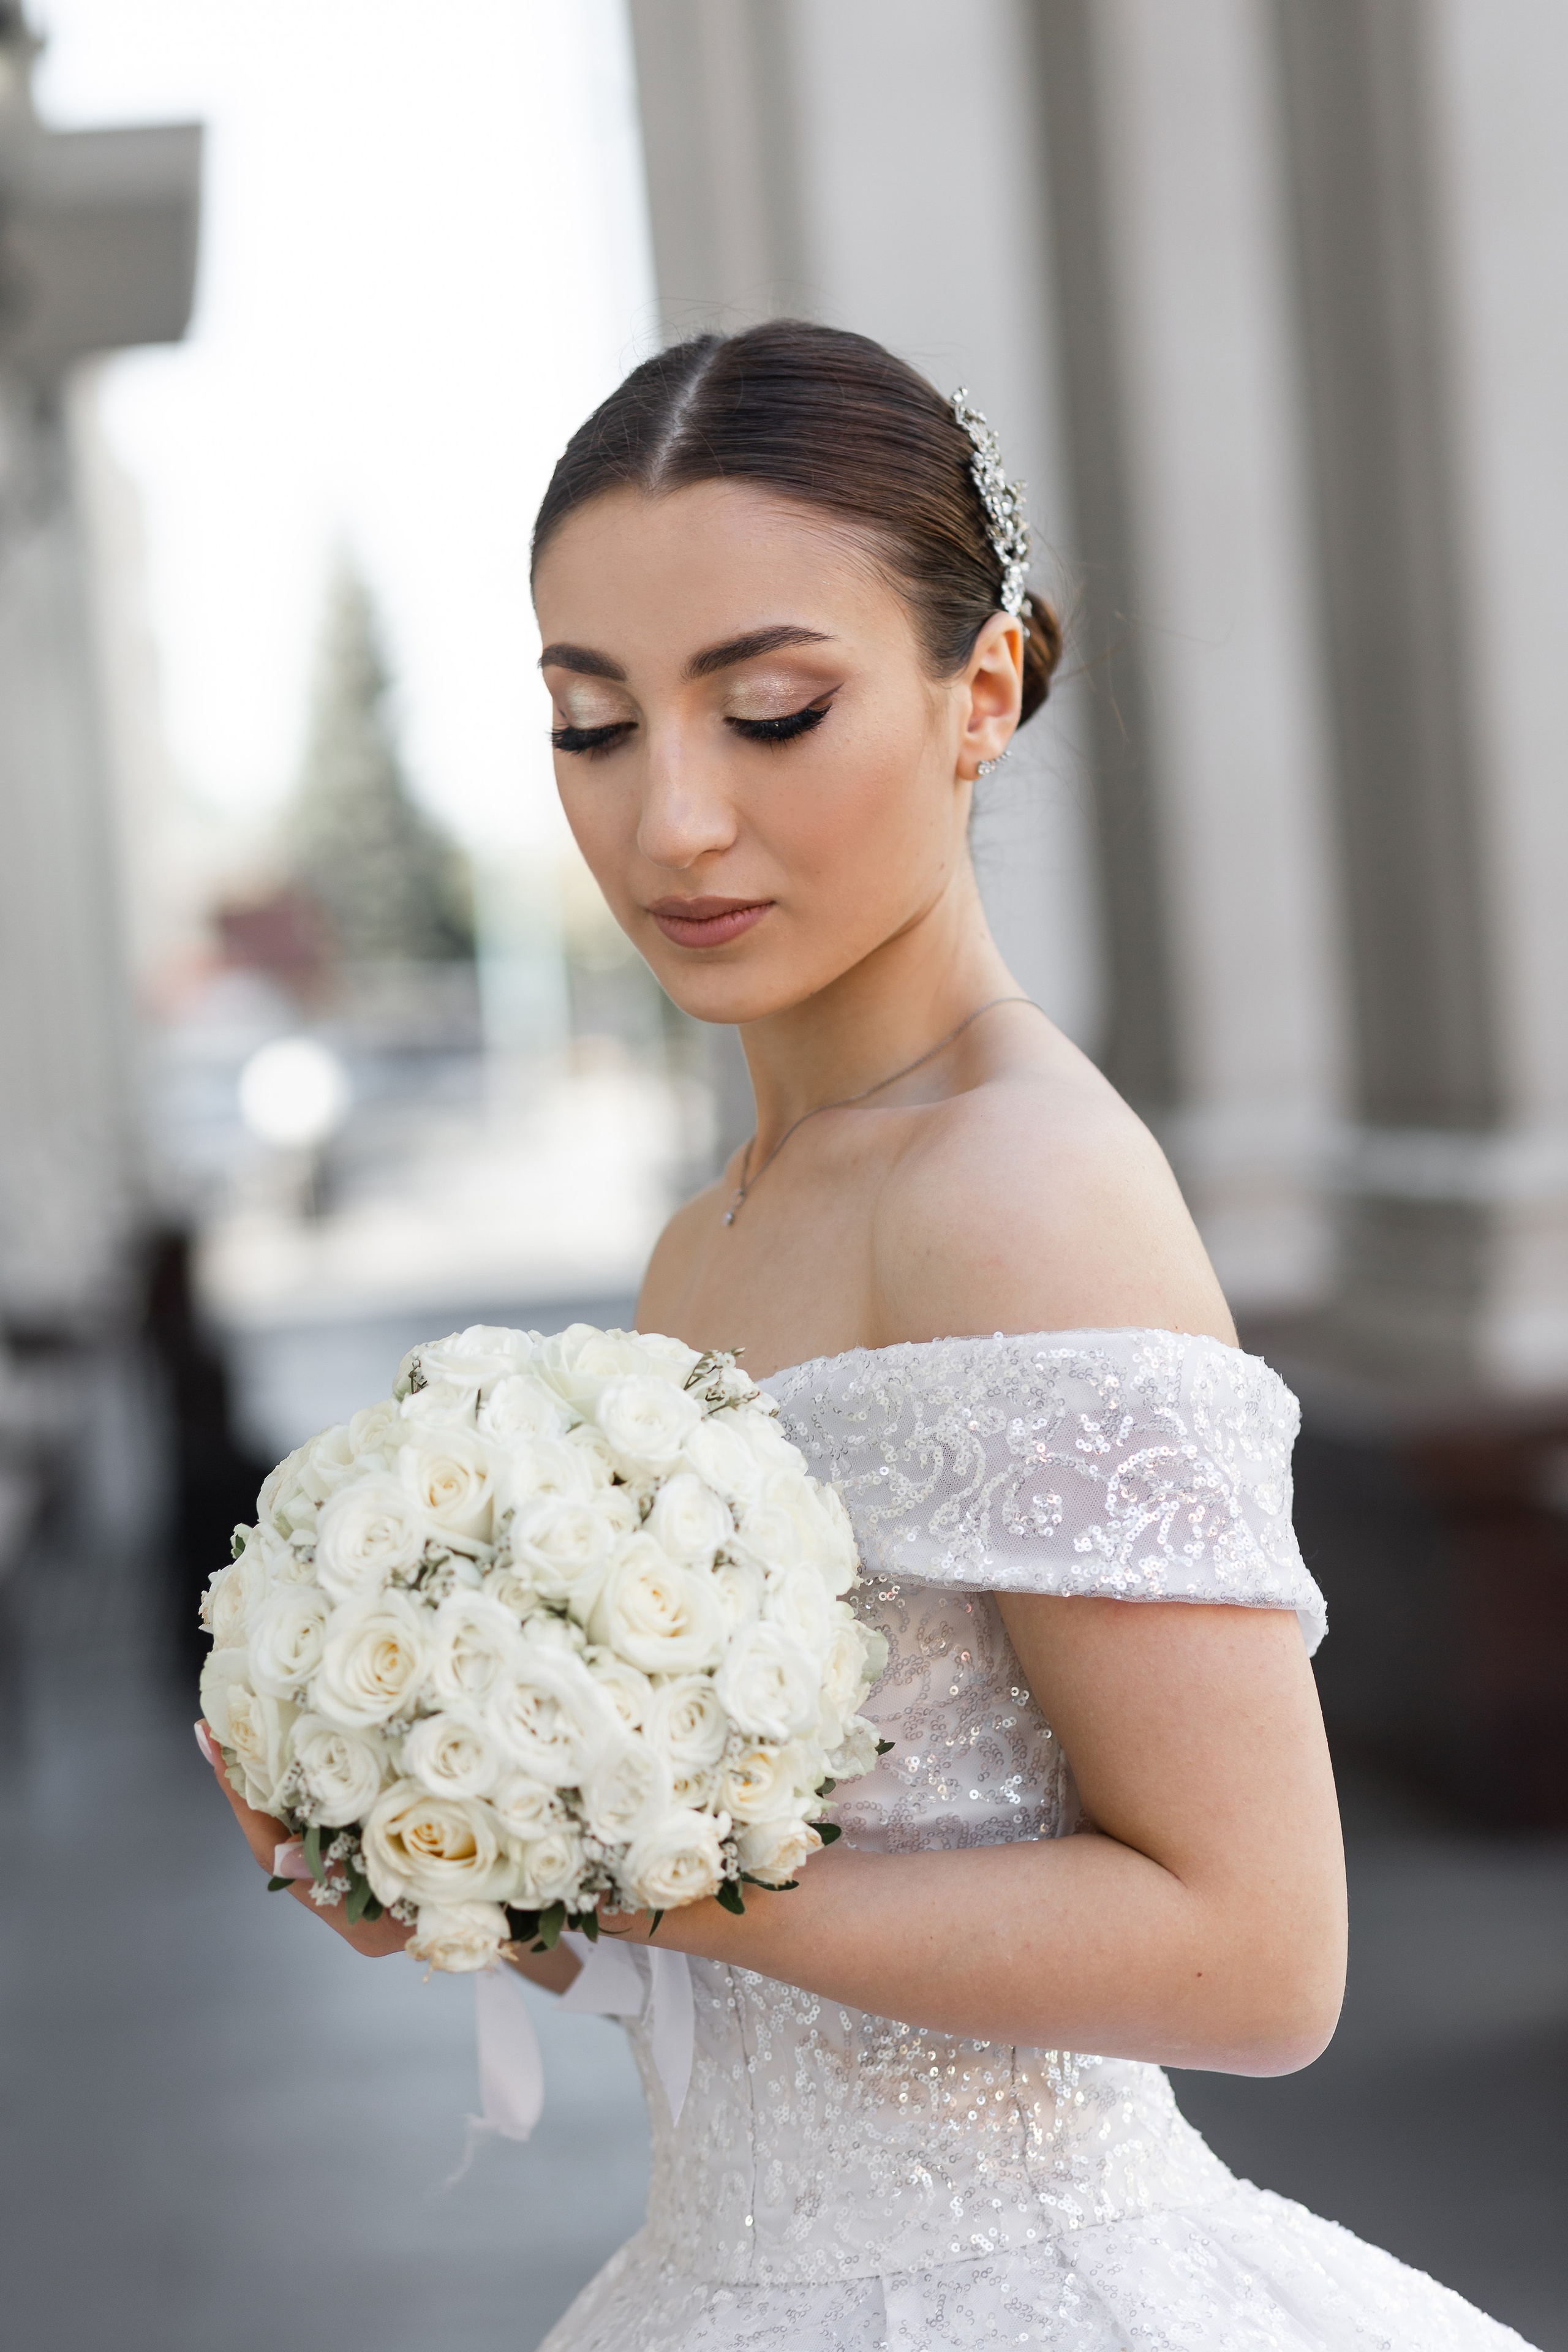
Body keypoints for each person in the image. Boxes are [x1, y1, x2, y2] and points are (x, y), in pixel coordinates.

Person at [211, 320, 1535, 2350]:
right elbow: (771, 1940)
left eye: (769, 711)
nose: (672, 826)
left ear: (978, 690)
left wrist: (634, 1873)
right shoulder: (709, 1238)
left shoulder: (1018, 1190)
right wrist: (445, 1830)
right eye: (592, 725)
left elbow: (1259, 1955)